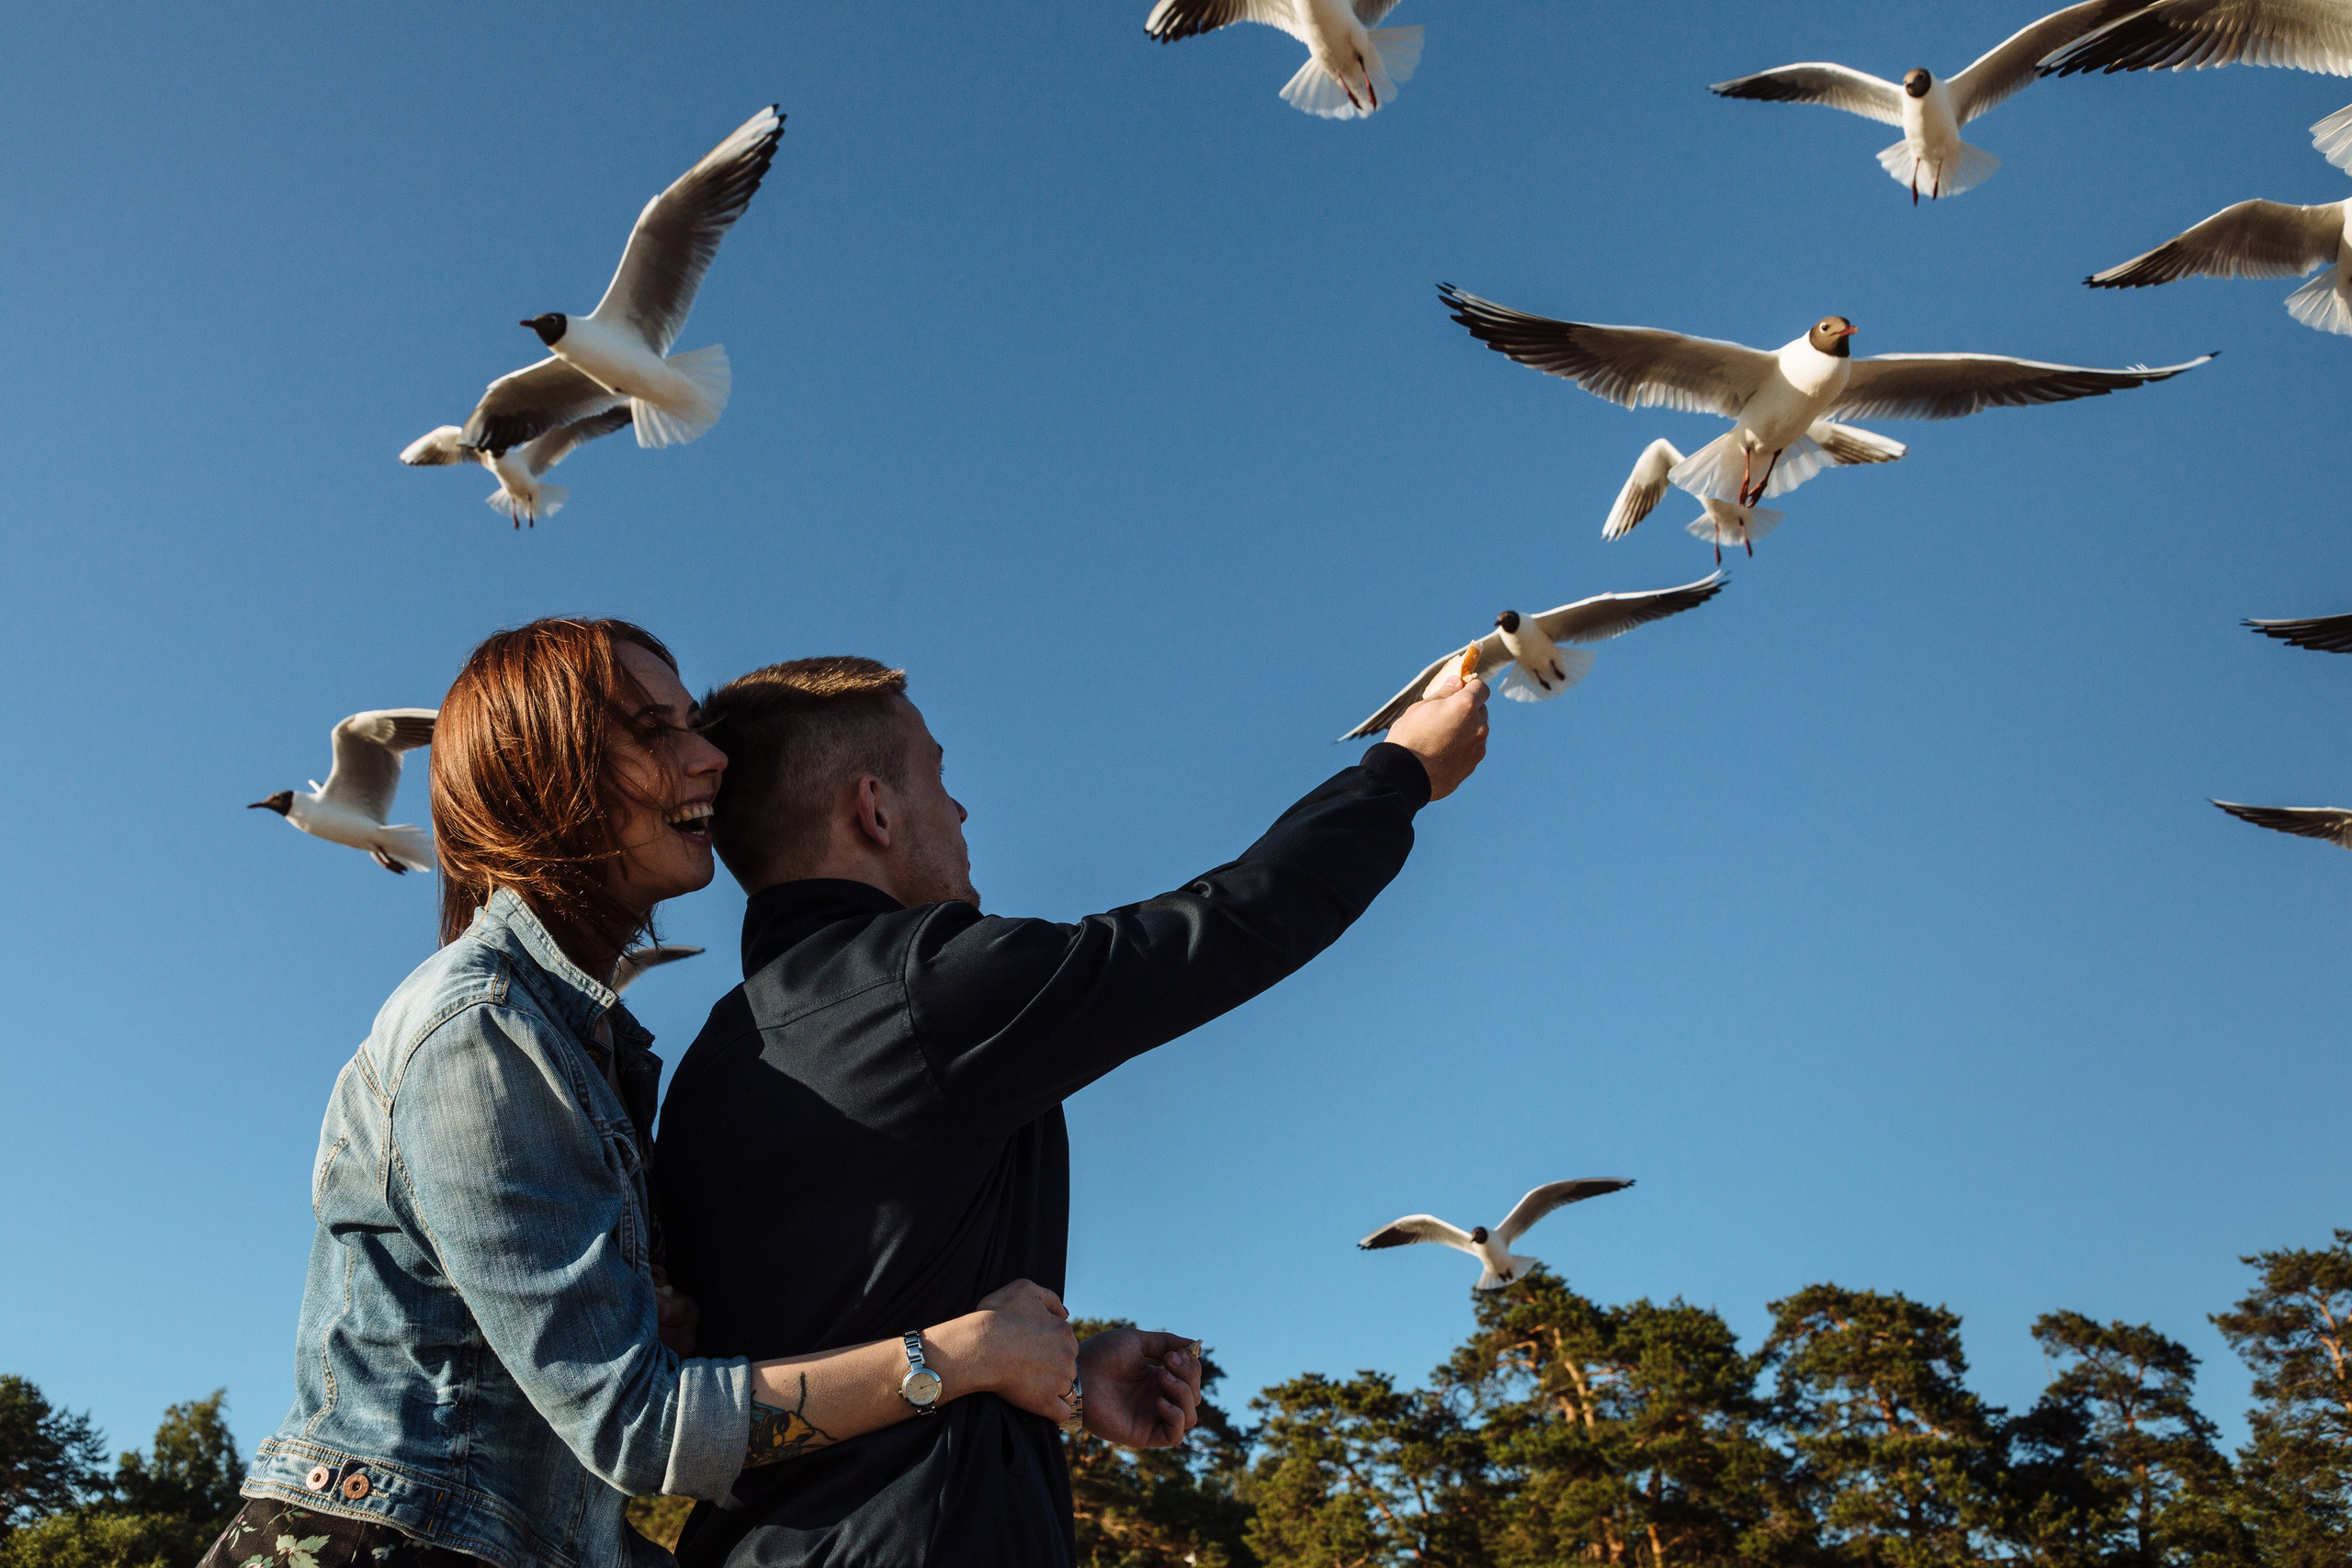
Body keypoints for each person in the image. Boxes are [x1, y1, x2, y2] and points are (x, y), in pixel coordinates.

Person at [220, 618, 1178, 1568]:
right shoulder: (480, 1029)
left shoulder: (596, 1048)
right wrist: (959, 1359)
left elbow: (644, 1386)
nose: (709, 757)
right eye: (655, 730)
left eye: (695, 725)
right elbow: (636, 1428)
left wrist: (1052, 1370)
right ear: (542, 772)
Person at [657, 653, 1490, 1567]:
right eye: (937, 774)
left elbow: (818, 1332)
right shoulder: (926, 989)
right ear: (876, 810)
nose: (961, 810)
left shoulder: (705, 1069)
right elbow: (1226, 927)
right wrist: (1400, 772)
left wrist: (1062, 1372)